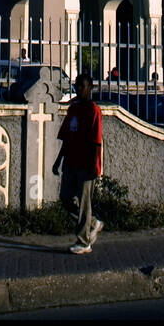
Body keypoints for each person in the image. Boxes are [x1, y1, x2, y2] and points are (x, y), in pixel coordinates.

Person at [52, 71, 103, 254]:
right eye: (77, 85)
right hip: (71, 162)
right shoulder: (73, 109)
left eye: (82, 86)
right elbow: (66, 137)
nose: (79, 89)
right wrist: (58, 161)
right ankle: (93, 223)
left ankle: (84, 242)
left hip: (85, 164)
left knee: (84, 203)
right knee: (65, 198)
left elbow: (97, 141)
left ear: (90, 88)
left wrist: (94, 166)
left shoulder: (93, 111)